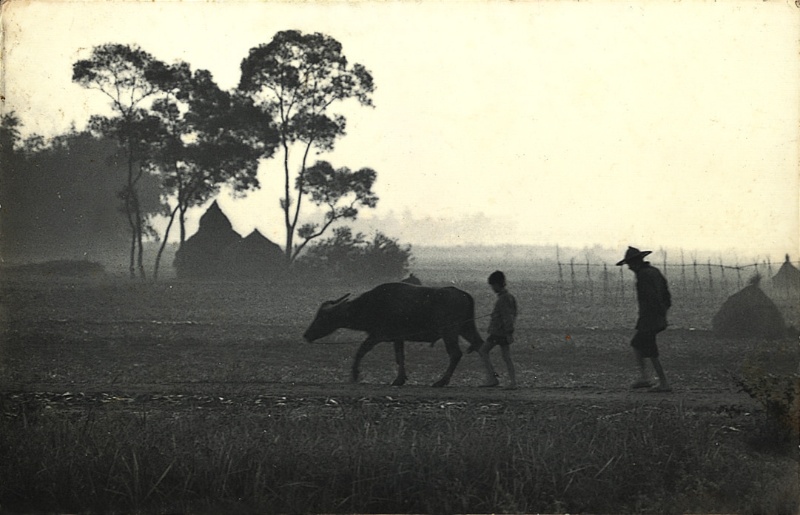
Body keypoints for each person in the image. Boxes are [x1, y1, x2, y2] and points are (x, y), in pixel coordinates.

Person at [616, 246, 672, 392]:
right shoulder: (654, 272)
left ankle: (661, 382)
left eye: (629, 264)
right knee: (638, 344)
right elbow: (667, 297)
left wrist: (647, 318)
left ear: (635, 262)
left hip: (649, 318)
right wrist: (663, 313)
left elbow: (650, 299)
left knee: (649, 349)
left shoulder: (643, 276)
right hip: (657, 316)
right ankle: (645, 377)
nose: (629, 268)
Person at [478, 270, 518, 389]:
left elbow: (507, 317)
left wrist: (509, 332)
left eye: (492, 286)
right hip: (503, 332)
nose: (492, 288)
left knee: (483, 351)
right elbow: (512, 314)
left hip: (498, 333)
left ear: (496, 284)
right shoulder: (509, 297)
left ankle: (492, 378)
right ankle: (512, 382)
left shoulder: (503, 299)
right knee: (506, 357)